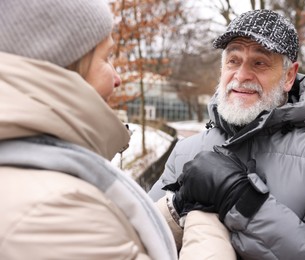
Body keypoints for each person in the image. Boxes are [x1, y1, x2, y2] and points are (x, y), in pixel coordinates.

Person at [0, 1, 236, 259]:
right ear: (62, 65)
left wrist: (177, 207)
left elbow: (117, 234)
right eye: (105, 58)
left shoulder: (37, 173)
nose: (117, 78)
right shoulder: (50, 211)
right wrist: (206, 214)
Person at [149, 9, 305, 260]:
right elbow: (138, 241)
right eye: (233, 60)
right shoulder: (185, 151)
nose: (242, 75)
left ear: (289, 76)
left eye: (259, 63)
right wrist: (176, 206)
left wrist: (244, 203)